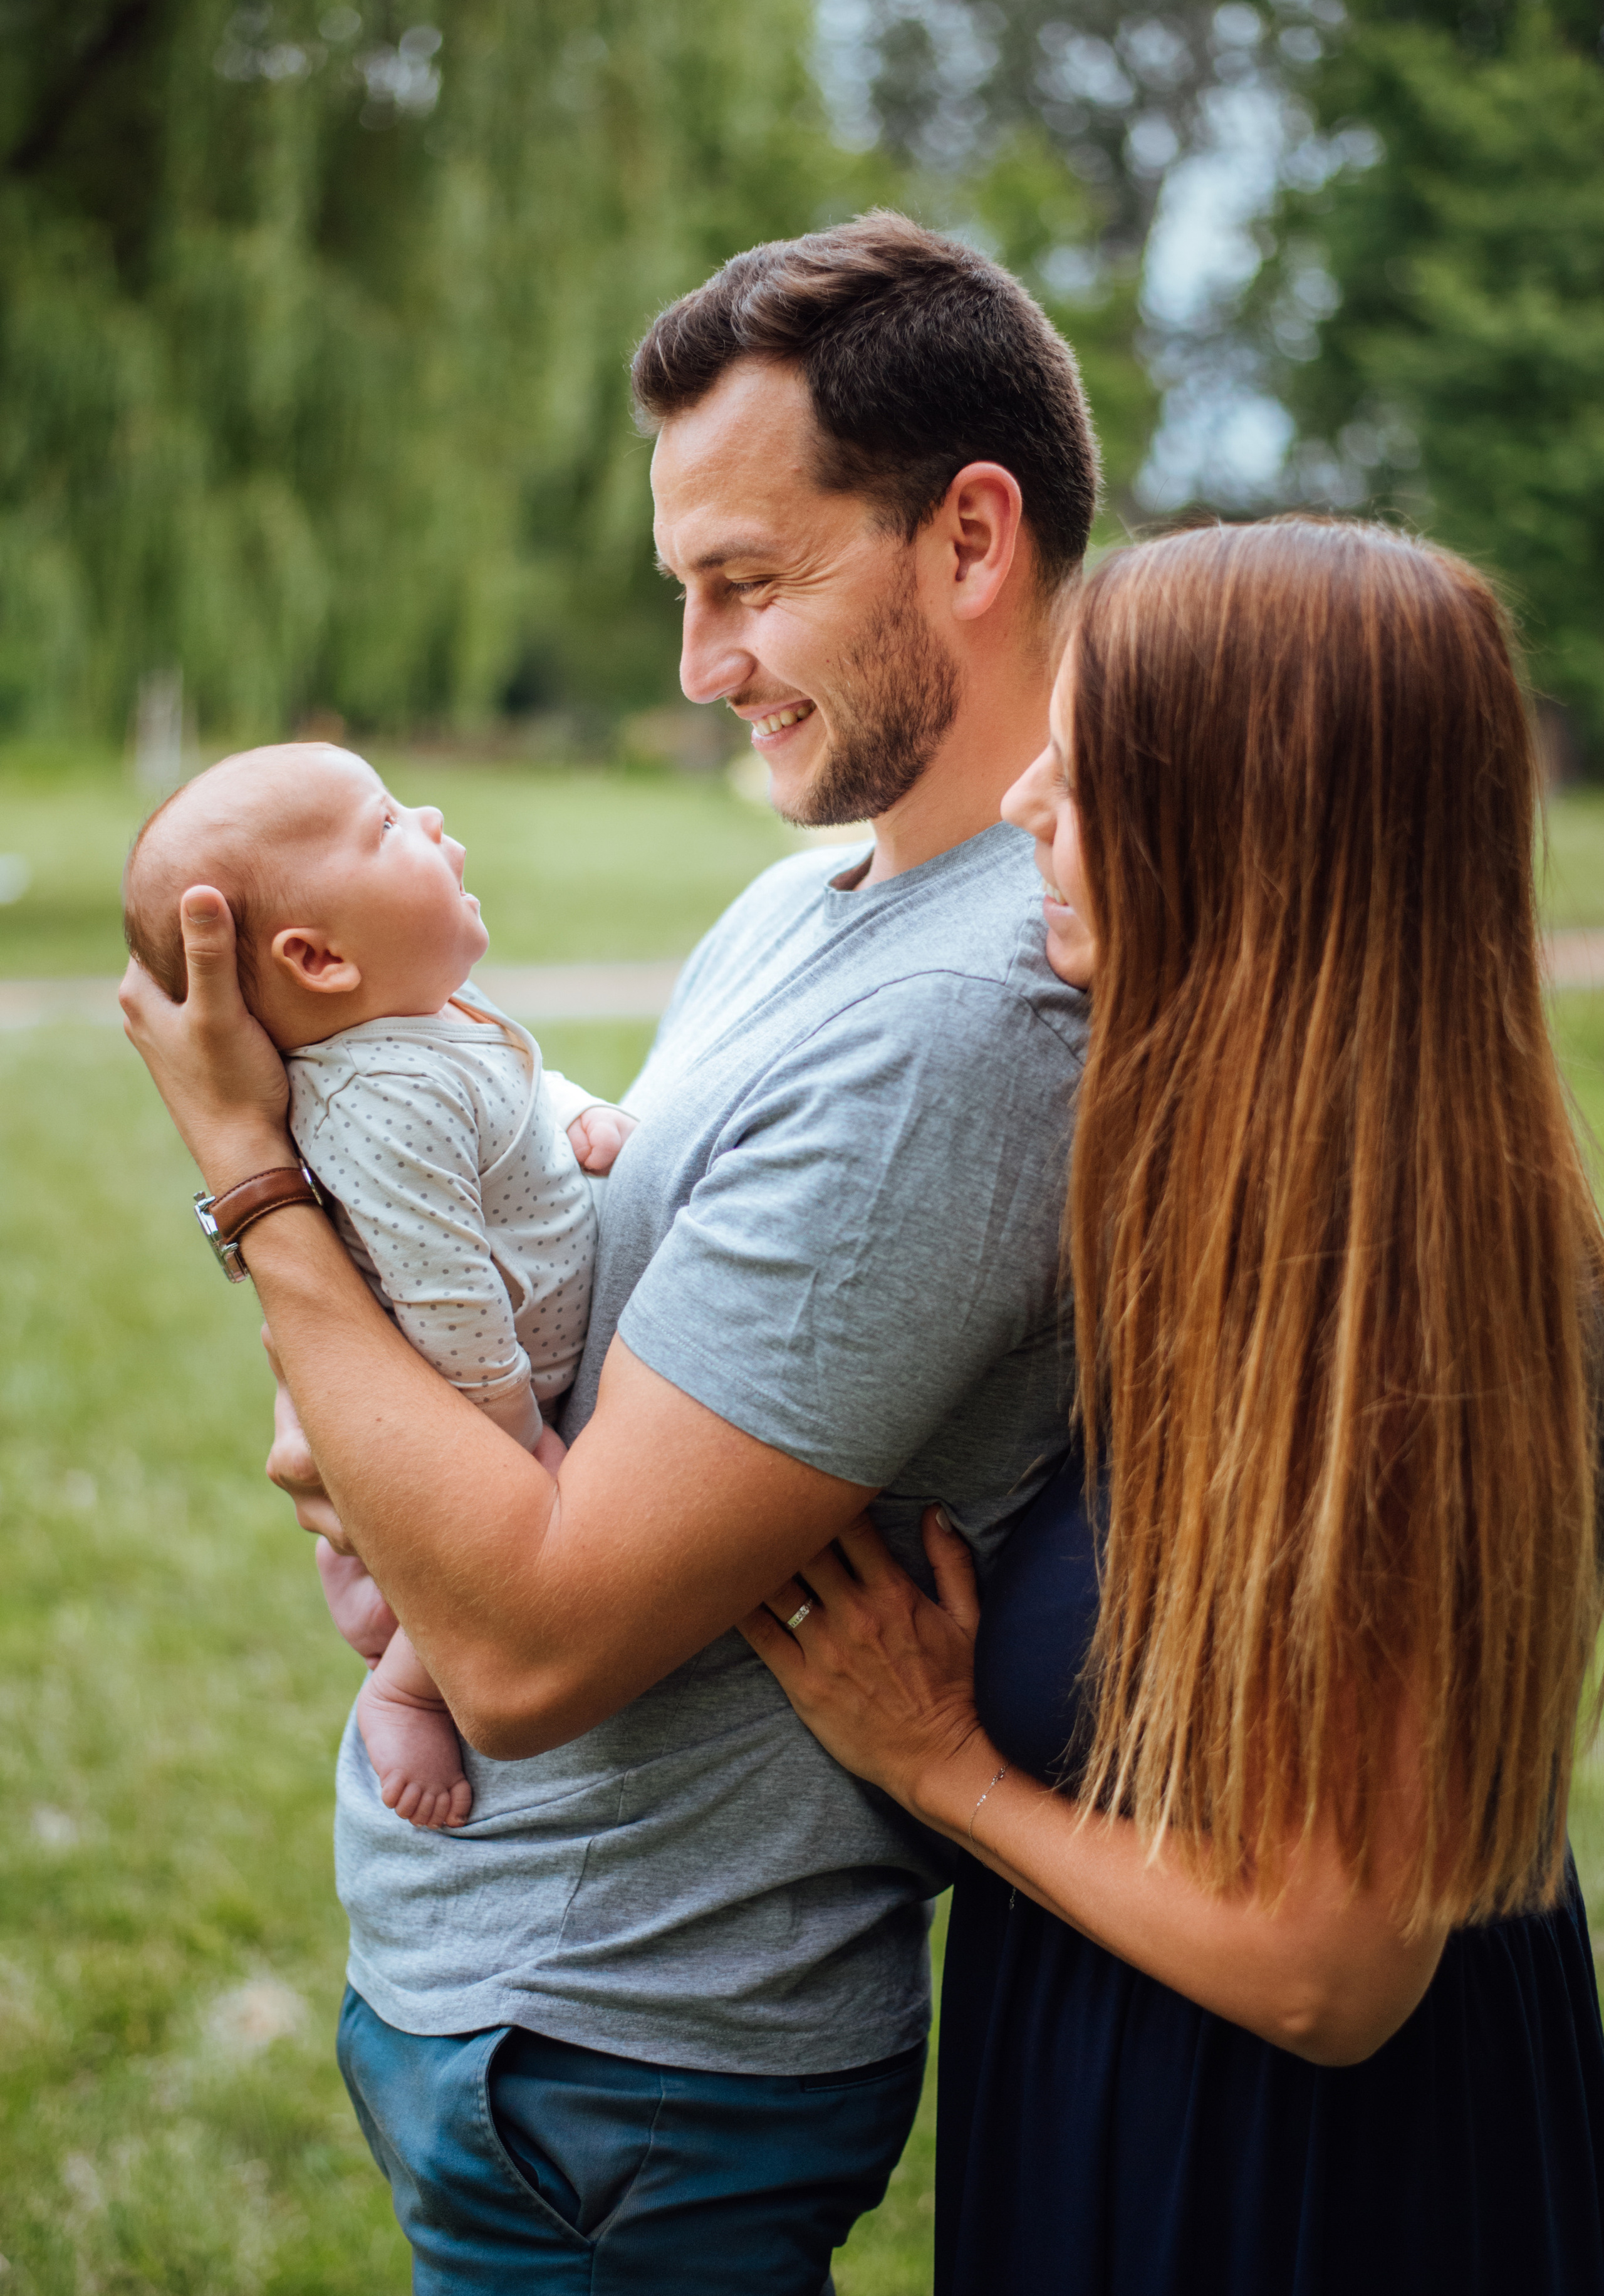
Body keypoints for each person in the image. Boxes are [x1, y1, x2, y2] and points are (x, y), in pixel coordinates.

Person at [117, 214, 1097, 2292]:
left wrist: (253, 1186)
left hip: (631, 2052)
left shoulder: (978, 1020)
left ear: (969, 538)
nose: (701, 664)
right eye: (684, 591)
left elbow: (532, 1653)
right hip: (513, 2013)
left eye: (751, 583)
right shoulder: (805, 906)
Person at [741, 516, 1604, 2295]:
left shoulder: (1390, 1310)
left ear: (1247, 832)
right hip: (1129, 2082)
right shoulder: (1231, 1196)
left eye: (1090, 764)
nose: (1026, 799)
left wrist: (944, 1769)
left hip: (1294, 2177)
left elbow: (1327, 1972)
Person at [122, 740, 632, 1830]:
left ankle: (376, 1595)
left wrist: (579, 1112)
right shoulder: (379, 1100)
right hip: (471, 1399)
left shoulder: (426, 1018)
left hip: (504, 1381)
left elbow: (513, 1089)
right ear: (319, 959)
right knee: (470, 1577)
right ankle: (404, 1690)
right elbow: (446, 1304)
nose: (433, 816)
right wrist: (517, 1444)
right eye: (390, 824)